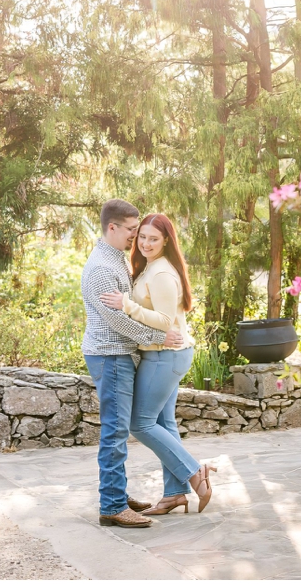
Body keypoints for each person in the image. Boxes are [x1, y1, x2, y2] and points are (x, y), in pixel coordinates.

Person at [100, 213, 217, 515]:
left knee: (140, 423)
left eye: (154, 238)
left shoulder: (162, 272)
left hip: (165, 356)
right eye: (142, 237)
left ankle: (194, 472)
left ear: (166, 240)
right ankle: (174, 494)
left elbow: (165, 322)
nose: (146, 243)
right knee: (164, 424)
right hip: (164, 355)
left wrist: (126, 305)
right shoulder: (150, 267)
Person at [81, 199, 184, 528]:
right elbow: (116, 320)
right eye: (131, 230)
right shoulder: (102, 268)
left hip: (119, 353)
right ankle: (112, 505)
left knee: (120, 428)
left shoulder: (116, 258)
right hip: (110, 354)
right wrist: (159, 337)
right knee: (115, 431)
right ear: (112, 227)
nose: (135, 236)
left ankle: (118, 495)